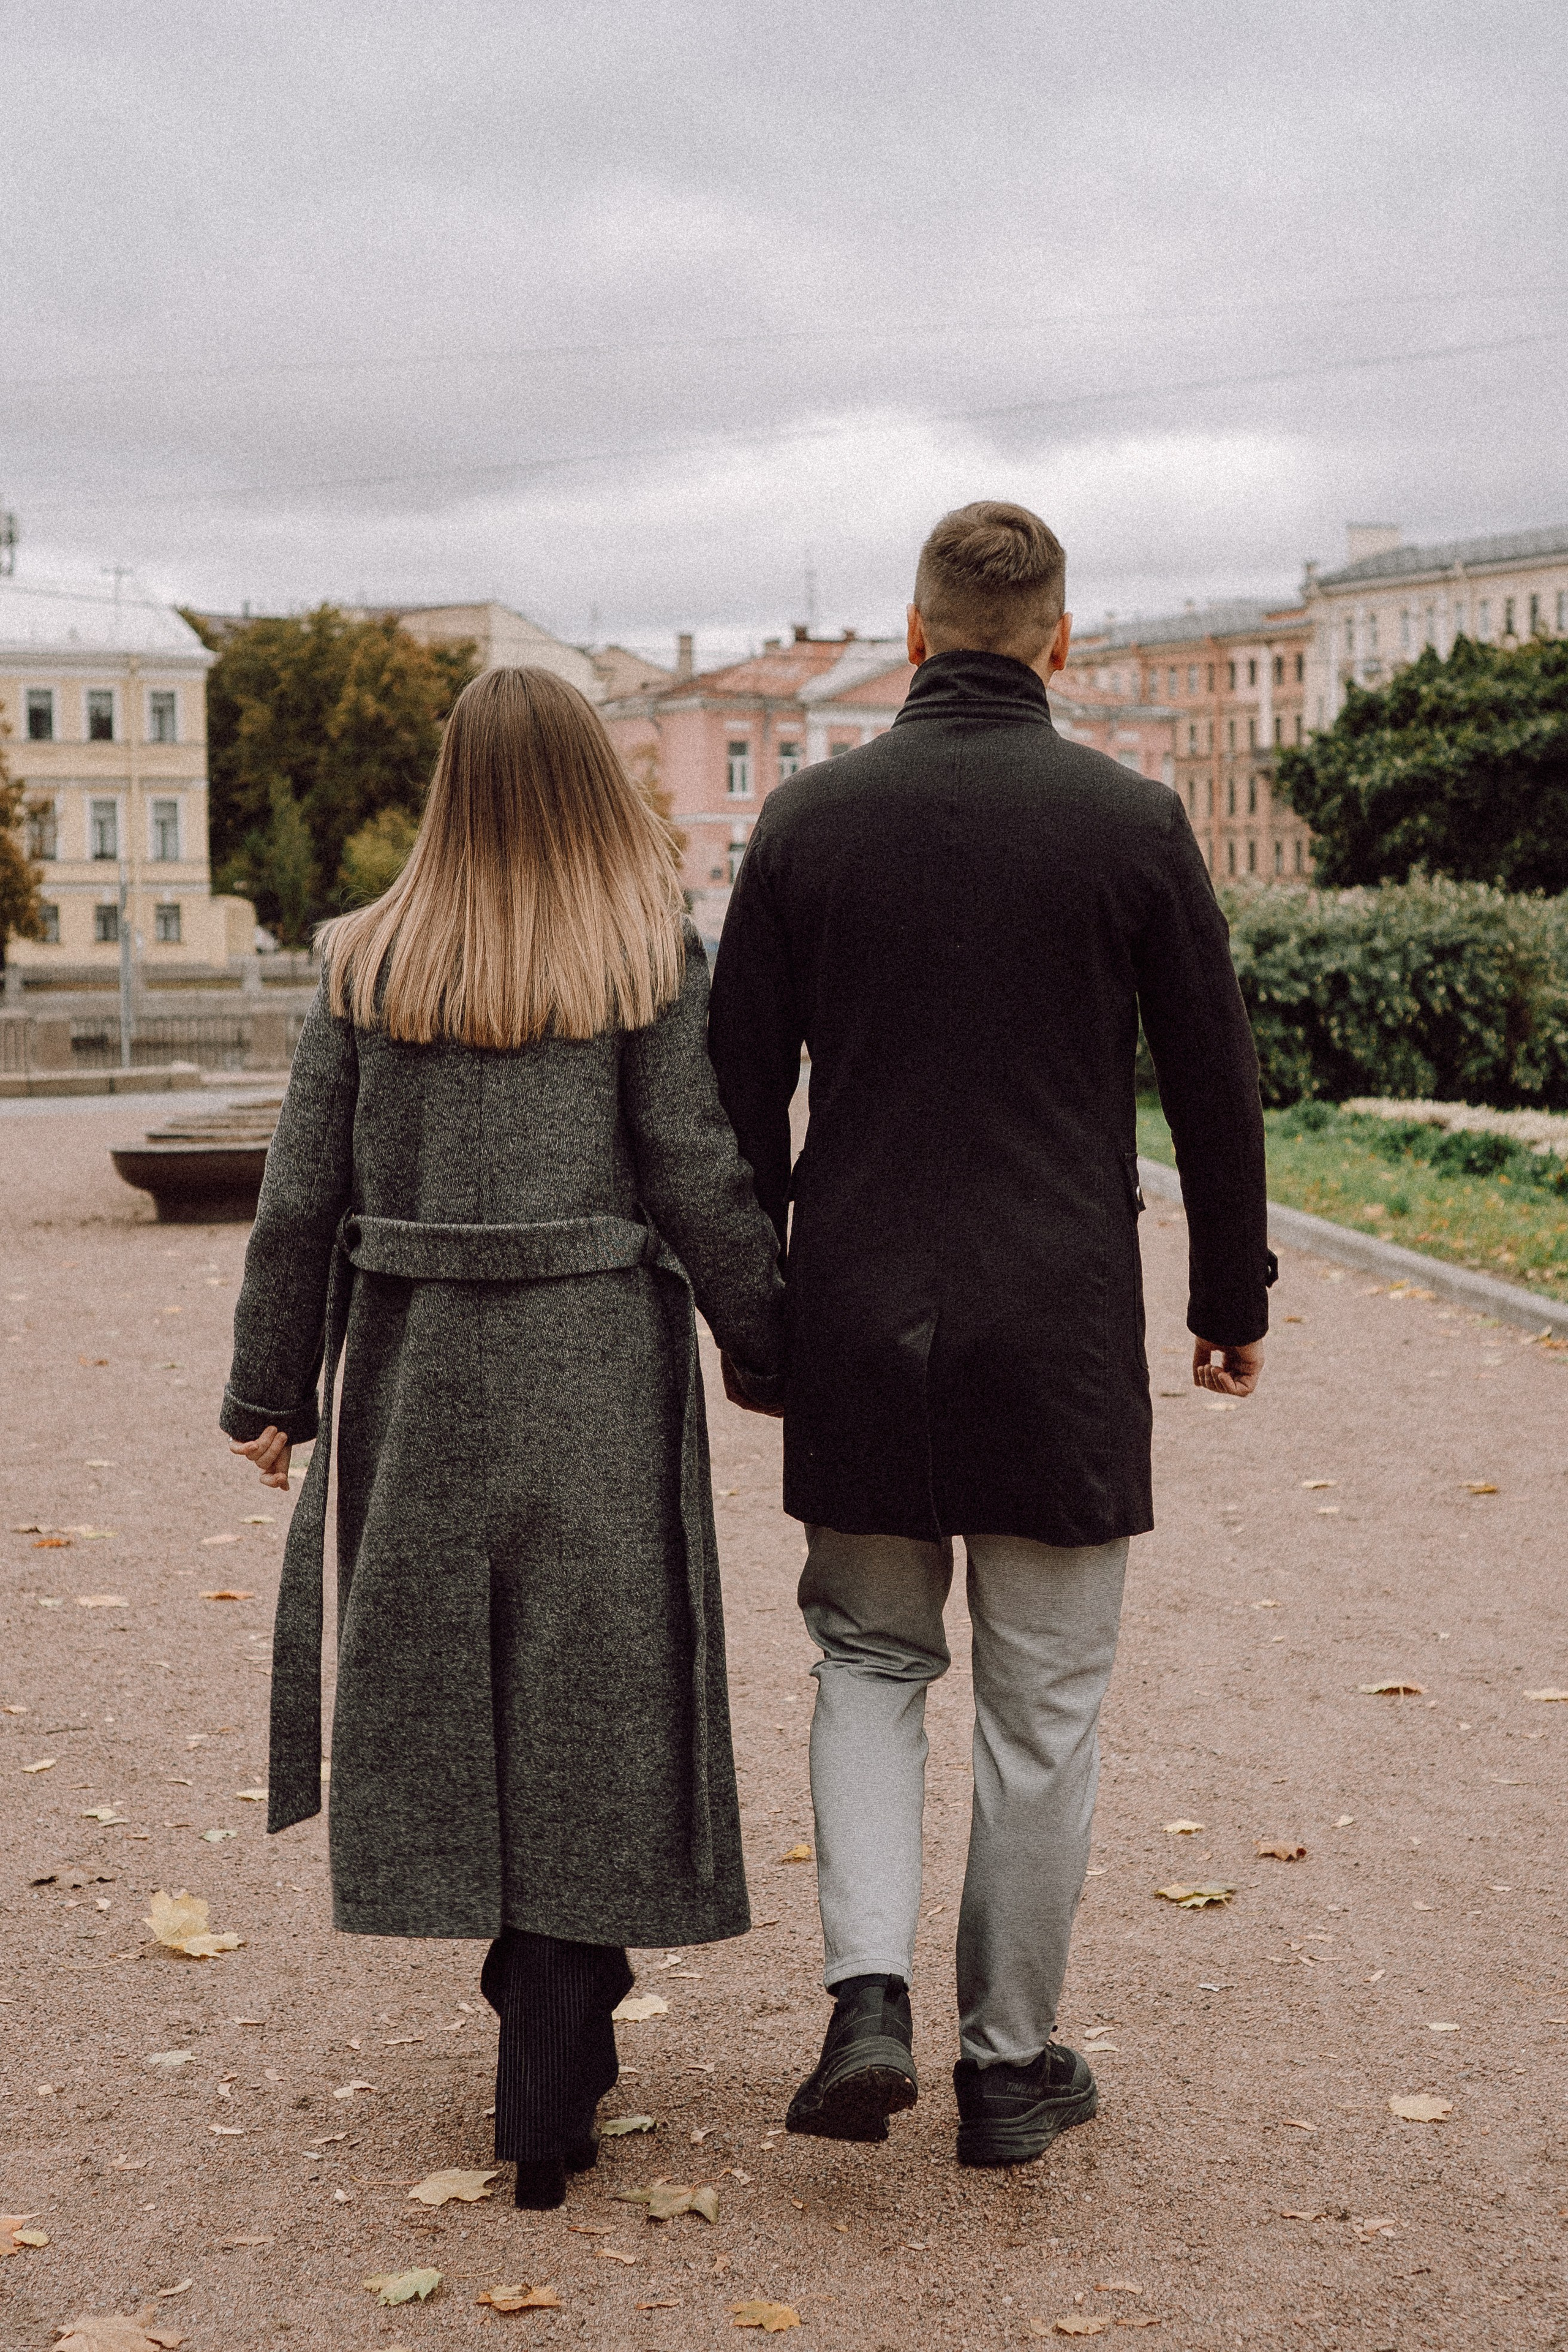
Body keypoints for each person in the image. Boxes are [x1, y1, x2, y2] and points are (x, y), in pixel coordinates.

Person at [709, 500, 1272, 2167]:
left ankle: (866, 1992)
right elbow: (1219, 1085)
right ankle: (1012, 2071)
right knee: (1043, 1709)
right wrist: (1226, 1301)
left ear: (910, 634)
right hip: (1061, 1331)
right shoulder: (1133, 822)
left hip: (863, 1316)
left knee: (868, 1662)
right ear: (1062, 644)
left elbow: (734, 1095)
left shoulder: (808, 824)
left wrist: (760, 1320)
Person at [222, 665, 785, 2209]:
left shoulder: (361, 959)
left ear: (449, 788)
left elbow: (297, 1201)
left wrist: (268, 1392)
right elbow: (695, 1168)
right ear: (594, 782)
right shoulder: (642, 955)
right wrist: (770, 1341)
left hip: (416, 1369)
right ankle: (556, 2008)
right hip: (595, 1362)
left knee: (448, 1681)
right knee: (593, 1677)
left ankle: (532, 2014)